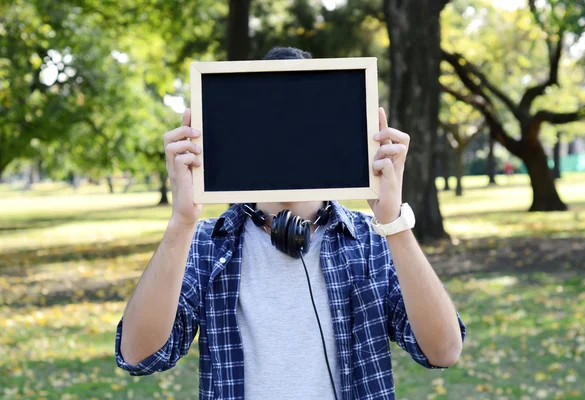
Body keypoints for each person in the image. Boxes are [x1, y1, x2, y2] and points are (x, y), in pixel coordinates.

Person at [115, 47, 466, 400]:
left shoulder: (373, 241)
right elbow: (139, 356)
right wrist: (181, 223)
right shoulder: (206, 244)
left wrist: (394, 223)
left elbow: (443, 351)